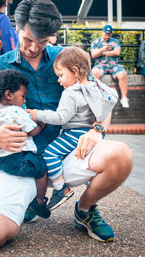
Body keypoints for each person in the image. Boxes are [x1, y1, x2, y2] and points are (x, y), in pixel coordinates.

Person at [0, 0, 133, 247]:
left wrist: (97, 129)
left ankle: (84, 210)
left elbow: (102, 100)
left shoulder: (68, 58)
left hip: (66, 152)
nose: (33, 47)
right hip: (21, 159)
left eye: (42, 41)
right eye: (27, 39)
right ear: (16, 27)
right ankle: (29, 200)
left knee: (121, 154)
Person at [27, 46, 118, 211]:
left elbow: (60, 118)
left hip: (75, 133)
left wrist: (37, 114)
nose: (59, 81)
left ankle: (61, 189)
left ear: (75, 71)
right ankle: (87, 183)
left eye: (61, 75)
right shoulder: (93, 85)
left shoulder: (71, 92)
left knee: (50, 153)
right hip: (90, 133)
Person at [0, 69, 50, 219]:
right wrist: (42, 122)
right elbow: (34, 131)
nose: (24, 101)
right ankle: (38, 201)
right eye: (23, 96)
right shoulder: (19, 113)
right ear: (9, 95)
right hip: (18, 159)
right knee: (42, 169)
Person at [91, 25, 130, 108]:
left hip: (113, 65)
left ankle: (124, 98)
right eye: (106, 33)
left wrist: (102, 53)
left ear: (111, 34)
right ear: (102, 32)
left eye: (109, 34)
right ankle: (98, 97)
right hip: (100, 65)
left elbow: (117, 53)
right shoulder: (96, 42)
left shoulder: (115, 42)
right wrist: (102, 49)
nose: (107, 36)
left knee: (122, 74)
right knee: (94, 73)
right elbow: (93, 55)